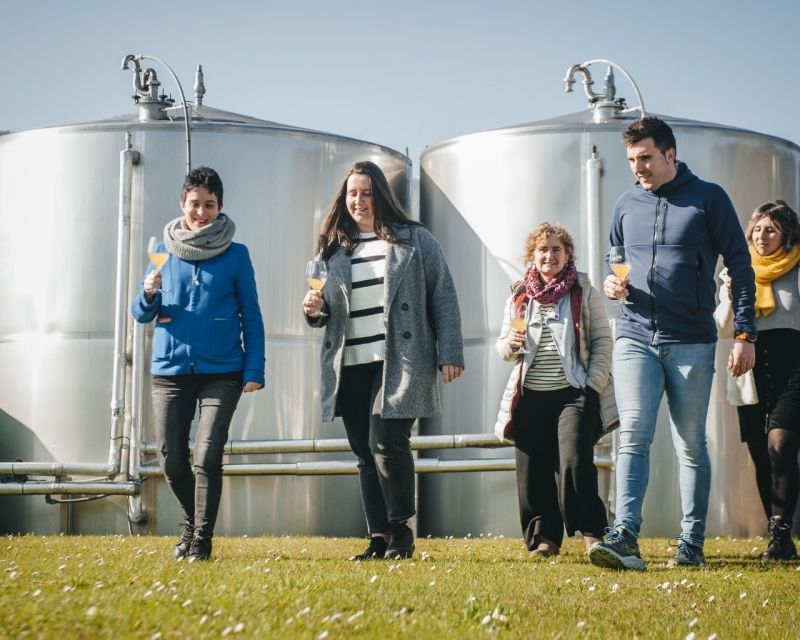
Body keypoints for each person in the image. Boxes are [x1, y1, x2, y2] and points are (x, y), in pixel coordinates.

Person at [590, 116, 757, 571]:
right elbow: (614, 257)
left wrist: (744, 333)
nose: (637, 167)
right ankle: (624, 535)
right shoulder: (626, 203)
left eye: (645, 157)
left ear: (669, 154)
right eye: (630, 159)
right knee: (634, 436)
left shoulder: (709, 198)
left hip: (691, 341)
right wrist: (610, 283)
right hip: (636, 335)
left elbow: (740, 267)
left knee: (690, 445)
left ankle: (691, 544)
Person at [302, 161, 464, 561]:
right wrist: (313, 309)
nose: (359, 200)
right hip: (350, 361)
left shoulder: (415, 240)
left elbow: (443, 295)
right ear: (345, 198)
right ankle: (378, 538)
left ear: (381, 195)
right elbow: (322, 314)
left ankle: (402, 532)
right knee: (364, 452)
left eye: (367, 192)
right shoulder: (333, 248)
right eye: (353, 193)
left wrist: (451, 352)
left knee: (387, 440)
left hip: (400, 360)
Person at [132, 166, 265, 562]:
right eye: (195, 204)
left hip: (223, 371)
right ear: (182, 204)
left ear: (221, 207)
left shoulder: (237, 255)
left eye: (210, 205)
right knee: (171, 459)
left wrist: (254, 370)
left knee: (207, 455)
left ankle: (201, 540)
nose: (202, 212)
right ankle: (193, 522)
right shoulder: (163, 250)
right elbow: (141, 314)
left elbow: (252, 316)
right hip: (170, 372)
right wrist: (148, 293)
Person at [494, 222, 617, 558]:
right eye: (543, 249)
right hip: (531, 395)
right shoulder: (519, 296)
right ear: (533, 256)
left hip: (573, 393)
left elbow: (604, 341)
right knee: (532, 469)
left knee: (576, 461)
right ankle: (544, 539)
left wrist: (592, 385)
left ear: (567, 255)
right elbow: (502, 349)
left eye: (556, 249)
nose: (549, 255)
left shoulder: (583, 292)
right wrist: (511, 344)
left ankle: (594, 533)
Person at [715, 201, 800, 561]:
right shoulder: (736, 270)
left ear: (787, 234)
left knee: (780, 447)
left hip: (793, 369)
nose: (762, 236)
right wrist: (733, 299)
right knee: (761, 457)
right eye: (758, 229)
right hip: (749, 372)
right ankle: (779, 541)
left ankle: (782, 535)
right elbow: (721, 328)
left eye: (771, 229)